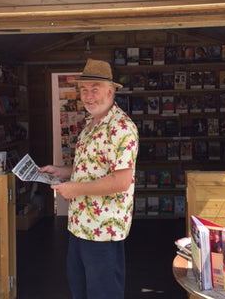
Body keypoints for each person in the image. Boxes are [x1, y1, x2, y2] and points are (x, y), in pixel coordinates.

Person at [39, 58, 139, 299]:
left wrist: (77, 189)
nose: (88, 96)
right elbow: (88, 168)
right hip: (79, 226)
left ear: (110, 90)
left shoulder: (122, 128)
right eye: (84, 90)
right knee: (80, 290)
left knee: (103, 294)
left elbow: (121, 181)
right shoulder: (90, 125)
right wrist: (60, 171)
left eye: (95, 89)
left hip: (103, 231)